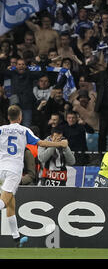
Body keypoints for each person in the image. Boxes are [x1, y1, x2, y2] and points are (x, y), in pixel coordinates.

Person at [0, 105, 68, 247]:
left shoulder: (1, 130)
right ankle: (16, 238)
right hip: (13, 170)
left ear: (8, 117)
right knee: (4, 200)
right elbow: (41, 143)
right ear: (20, 117)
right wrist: (59, 144)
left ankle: (16, 238)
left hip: (1, 168)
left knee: (10, 203)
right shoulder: (24, 131)